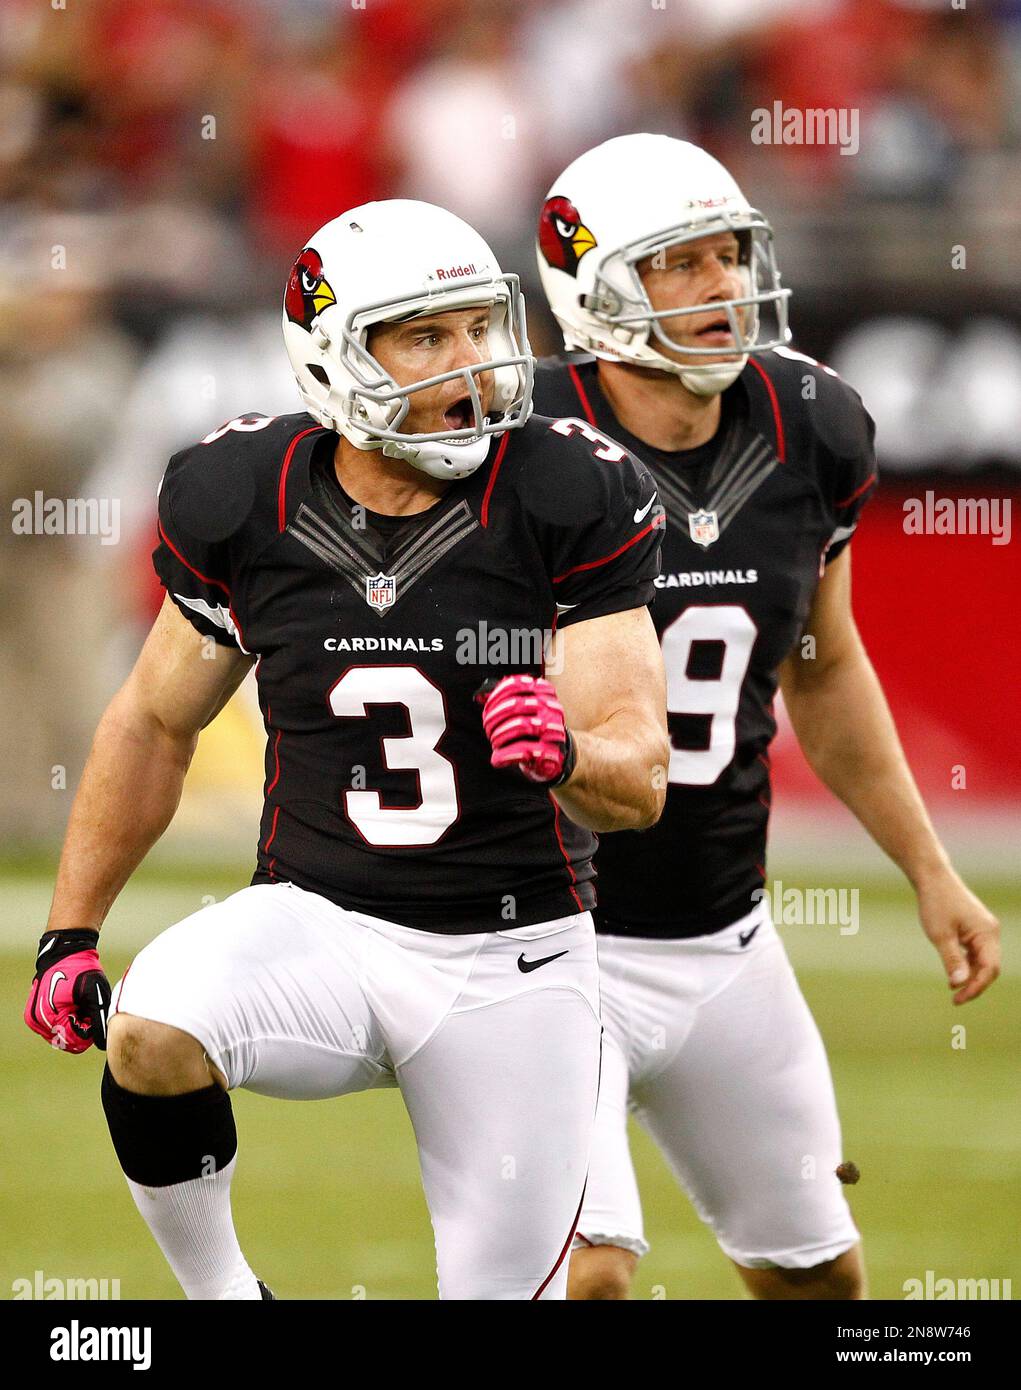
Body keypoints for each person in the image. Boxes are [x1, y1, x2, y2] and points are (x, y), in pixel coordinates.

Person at [24, 199, 669, 1301]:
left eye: (479, 325)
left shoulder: (566, 492)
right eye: (426, 334)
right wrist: (69, 929)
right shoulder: (244, 497)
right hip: (316, 920)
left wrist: (567, 755)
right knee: (150, 1028)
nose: (471, 362)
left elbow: (639, 778)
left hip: (508, 957)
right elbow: (152, 721)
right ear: (335, 356)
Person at [532, 134, 1001, 1301]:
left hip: (719, 931)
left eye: (728, 254)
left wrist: (929, 869)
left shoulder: (812, 423)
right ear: (593, 290)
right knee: (587, 1274)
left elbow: (824, 668)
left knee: (819, 1287)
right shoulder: (517, 447)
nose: (719, 286)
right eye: (677, 264)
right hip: (537, 938)